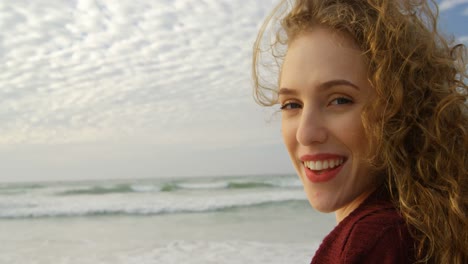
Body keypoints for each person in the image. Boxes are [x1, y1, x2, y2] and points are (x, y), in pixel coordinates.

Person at [252, 0, 467, 263]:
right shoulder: (423, 225)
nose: (305, 134)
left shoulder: (372, 242)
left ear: (400, 110)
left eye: (339, 100)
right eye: (292, 104)